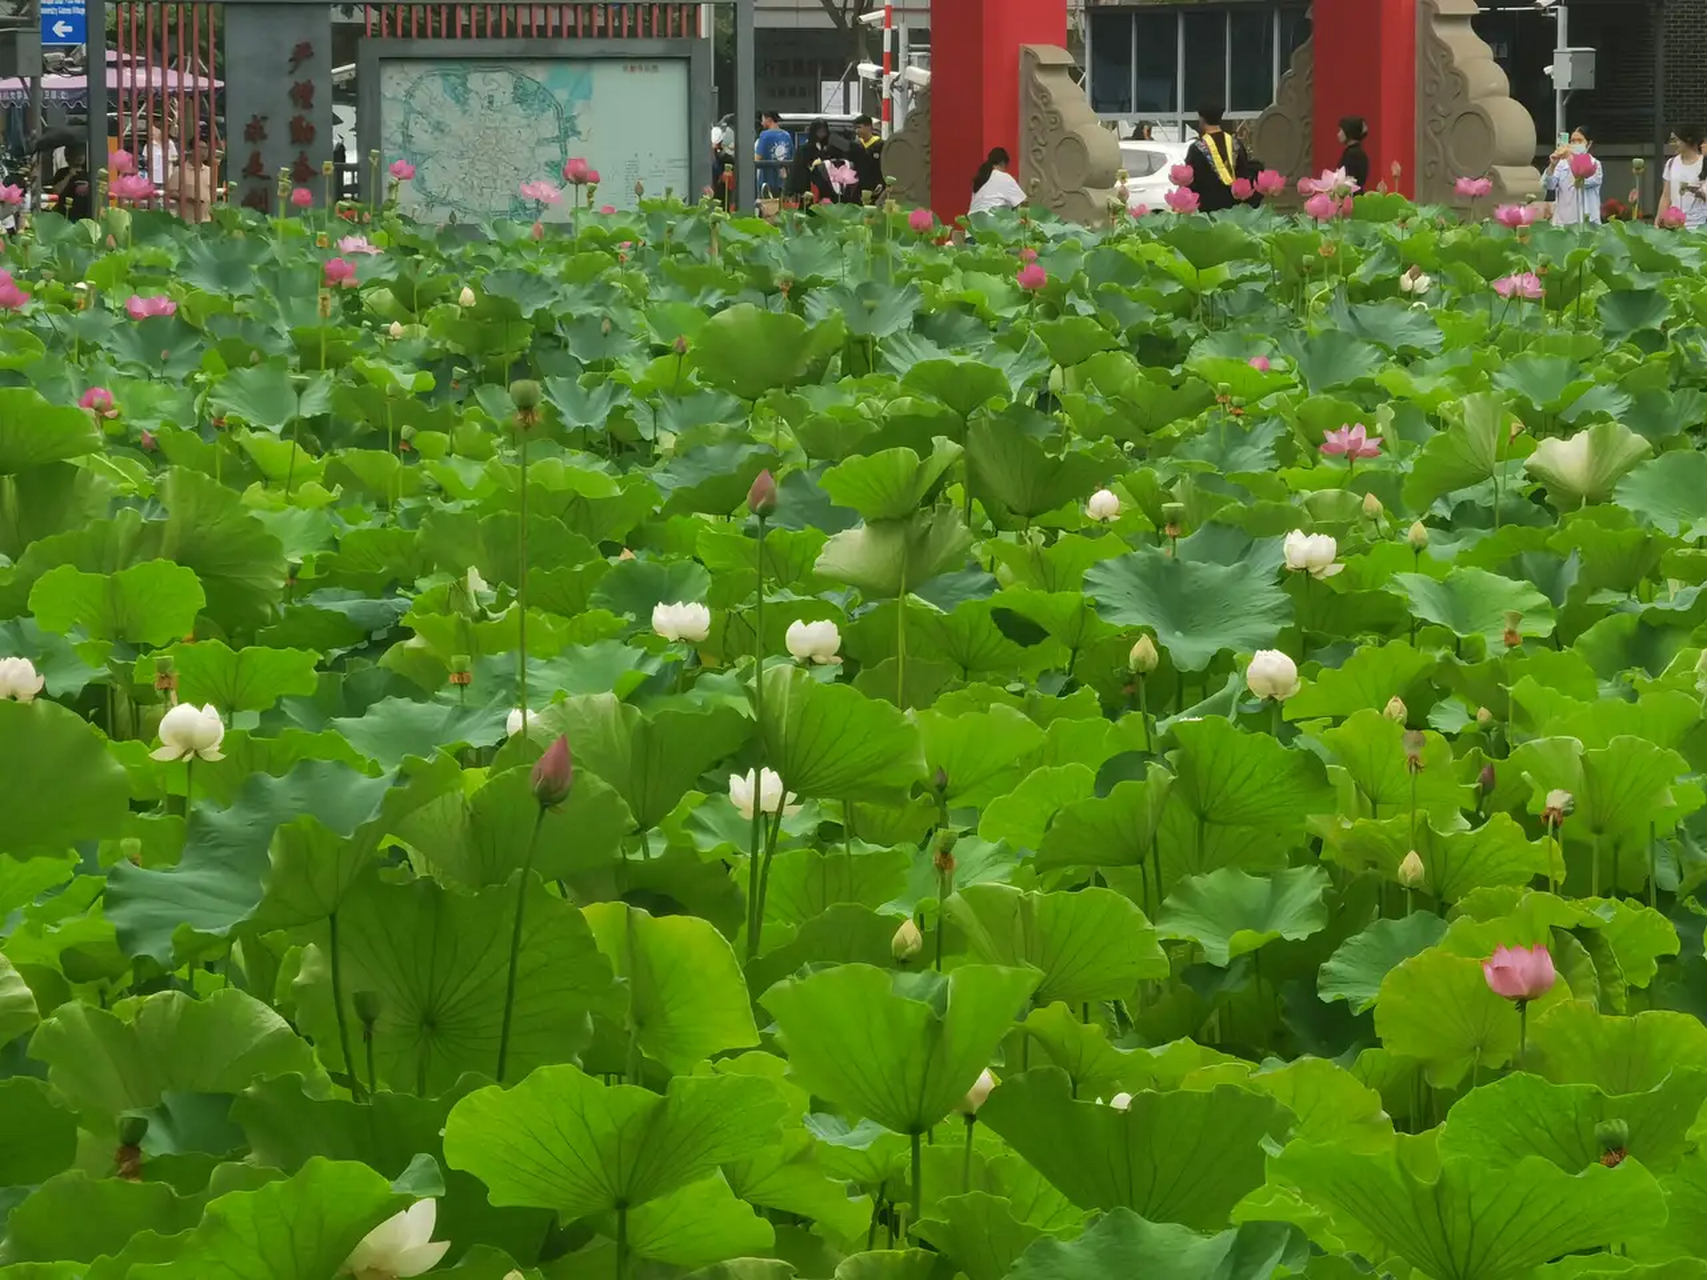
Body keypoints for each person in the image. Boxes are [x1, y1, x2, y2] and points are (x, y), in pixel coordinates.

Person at [1185, 102, 1248, 212]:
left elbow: (1191, 180)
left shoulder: (1196, 148)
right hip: (1234, 205)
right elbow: (1244, 171)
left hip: (1207, 206)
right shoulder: (1236, 144)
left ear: (1202, 120)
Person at [1541, 126, 1602, 226]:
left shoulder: (1595, 164)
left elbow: (1583, 181)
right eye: (1572, 141)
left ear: (1589, 144)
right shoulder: (1561, 164)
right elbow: (1548, 185)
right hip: (1563, 222)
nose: (1575, 144)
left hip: (1587, 223)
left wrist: (1570, 158)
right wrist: (1552, 165)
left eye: (1579, 140)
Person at [1659, 126, 1707, 229]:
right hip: (1674, 225)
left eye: (1675, 140)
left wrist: (1694, 190)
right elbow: (1666, 195)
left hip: (1700, 225)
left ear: (1687, 140)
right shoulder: (1671, 163)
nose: (1672, 144)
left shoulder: (1704, 163)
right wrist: (1658, 221)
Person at [788, 118, 842, 203]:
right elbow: (797, 171)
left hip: (828, 189)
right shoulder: (804, 150)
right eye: (819, 131)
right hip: (809, 189)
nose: (822, 134)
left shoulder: (830, 149)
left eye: (824, 131)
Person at [968, 147, 1026, 215]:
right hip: (993, 220)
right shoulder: (1004, 177)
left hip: (974, 221)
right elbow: (1023, 203)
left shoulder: (980, 179)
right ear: (1003, 163)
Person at [44, 140, 92, 222]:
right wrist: (69, 175)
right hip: (65, 215)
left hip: (85, 215)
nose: (80, 156)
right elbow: (56, 191)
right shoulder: (62, 173)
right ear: (68, 157)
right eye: (76, 153)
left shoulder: (89, 172)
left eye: (81, 153)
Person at [753, 111, 794, 199]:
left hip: (767, 180)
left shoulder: (764, 135)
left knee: (768, 208)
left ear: (769, 120)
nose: (761, 122)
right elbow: (791, 157)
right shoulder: (787, 135)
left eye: (763, 120)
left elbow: (757, 158)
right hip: (783, 180)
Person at [850, 114, 884, 202]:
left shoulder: (880, 145)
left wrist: (881, 182)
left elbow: (884, 166)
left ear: (869, 127)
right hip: (858, 187)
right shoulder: (855, 146)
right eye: (855, 128)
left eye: (859, 127)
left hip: (875, 187)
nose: (857, 131)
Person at [1337, 116, 1371, 192]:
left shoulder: (1353, 155)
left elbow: (1350, 181)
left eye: (1340, 131)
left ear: (1348, 131)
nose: (1338, 134)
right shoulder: (1357, 152)